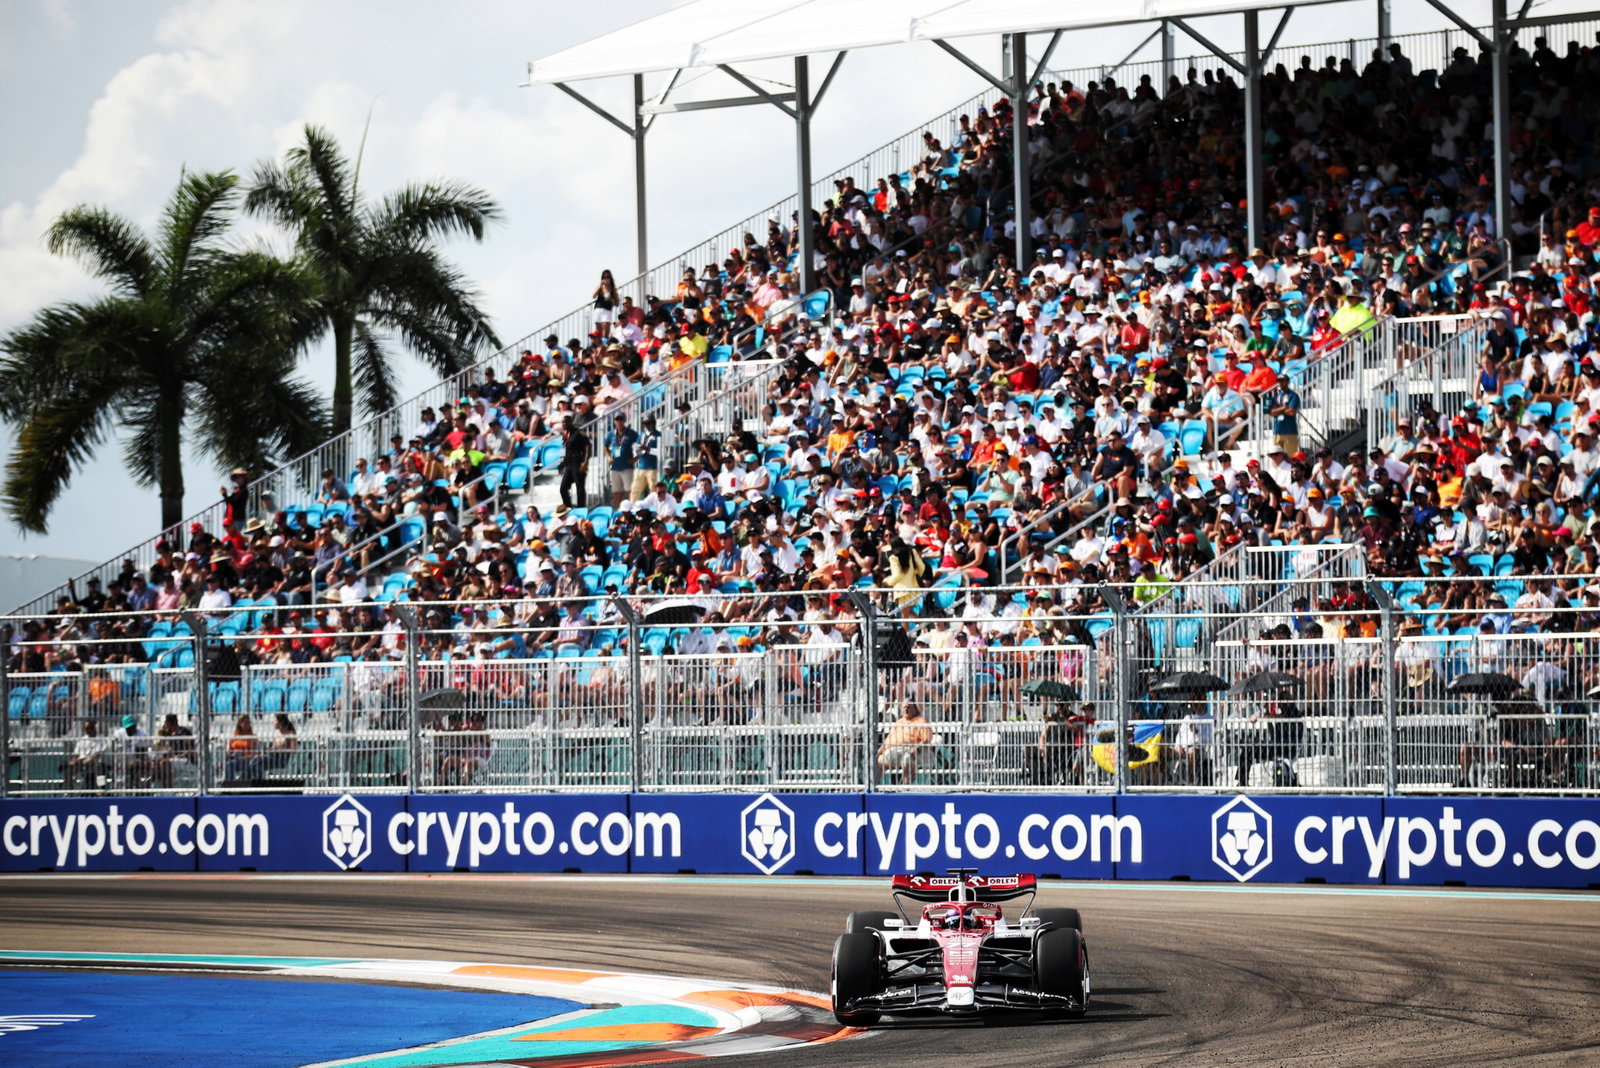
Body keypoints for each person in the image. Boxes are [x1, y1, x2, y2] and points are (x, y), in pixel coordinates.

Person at [876, 701, 933, 785]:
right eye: (904, 707)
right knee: (877, 761)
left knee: (907, 759)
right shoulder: (899, 722)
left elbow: (926, 740)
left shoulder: (921, 722)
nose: (906, 709)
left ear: (914, 709)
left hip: (912, 751)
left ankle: (905, 789)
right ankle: (874, 787)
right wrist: (877, 752)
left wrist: (917, 749)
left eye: (909, 707)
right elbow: (888, 741)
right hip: (894, 751)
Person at [151, 712, 195, 788]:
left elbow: (190, 750)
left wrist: (177, 757)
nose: (166, 724)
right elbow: (155, 748)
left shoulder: (184, 733)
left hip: (187, 761)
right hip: (174, 760)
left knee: (164, 763)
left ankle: (168, 792)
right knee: (158, 764)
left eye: (167, 722)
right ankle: (152, 786)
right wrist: (161, 737)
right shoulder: (168, 734)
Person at [63, 719, 108, 790]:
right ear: (84, 730)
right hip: (82, 763)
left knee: (91, 762)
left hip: (96, 764)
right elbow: (77, 754)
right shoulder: (82, 740)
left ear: (95, 728)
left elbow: (97, 754)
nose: (89, 730)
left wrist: (86, 760)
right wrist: (74, 761)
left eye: (91, 728)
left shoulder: (101, 739)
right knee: (68, 769)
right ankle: (70, 792)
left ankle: (101, 791)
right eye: (87, 728)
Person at [559, 420, 592, 509]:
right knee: (563, 488)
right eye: (563, 423)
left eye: (566, 422)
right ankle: (568, 507)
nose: (564, 424)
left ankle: (581, 508)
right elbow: (564, 449)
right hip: (568, 464)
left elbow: (588, 445)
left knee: (580, 487)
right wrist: (562, 462)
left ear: (571, 423)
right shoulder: (565, 435)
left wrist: (585, 462)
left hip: (578, 462)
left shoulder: (578, 432)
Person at [225, 714, 262, 783]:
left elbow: (254, 752)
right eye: (245, 722)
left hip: (247, 759)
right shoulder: (234, 736)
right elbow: (228, 749)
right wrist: (231, 754)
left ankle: (241, 781)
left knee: (252, 764)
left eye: (248, 723)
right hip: (236, 759)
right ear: (240, 724)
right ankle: (231, 783)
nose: (247, 724)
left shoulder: (252, 737)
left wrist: (245, 757)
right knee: (229, 764)